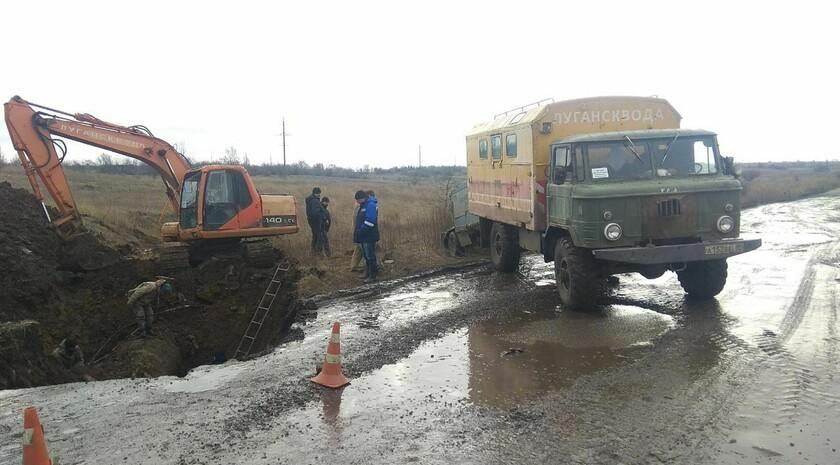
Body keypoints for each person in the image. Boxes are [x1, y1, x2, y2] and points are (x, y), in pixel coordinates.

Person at [353, 190, 380, 282]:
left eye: (358, 200)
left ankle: (373, 276)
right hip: (363, 236)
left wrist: (361, 231)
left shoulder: (370, 205)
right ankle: (367, 273)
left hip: (369, 236)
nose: (357, 202)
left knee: (370, 256)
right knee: (366, 256)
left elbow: (370, 221)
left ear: (362, 198)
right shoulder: (363, 205)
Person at [305, 187, 325, 255]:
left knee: (315, 236)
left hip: (311, 220)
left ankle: (313, 252)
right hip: (316, 221)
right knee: (320, 237)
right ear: (315, 193)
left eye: (319, 193)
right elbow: (315, 212)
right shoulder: (314, 201)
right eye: (318, 193)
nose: (319, 195)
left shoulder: (311, 199)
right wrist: (322, 216)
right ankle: (319, 253)